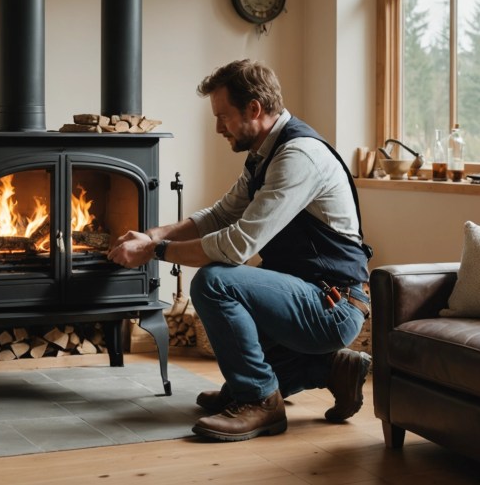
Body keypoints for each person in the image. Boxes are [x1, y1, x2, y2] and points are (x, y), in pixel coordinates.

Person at [107, 59, 373, 442]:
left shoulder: (297, 157)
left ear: (255, 109)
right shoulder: (265, 153)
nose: (218, 127)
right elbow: (220, 214)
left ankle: (260, 404)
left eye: (223, 116)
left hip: (333, 305)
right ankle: (329, 369)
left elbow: (236, 245)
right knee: (228, 293)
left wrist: (155, 251)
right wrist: (152, 233)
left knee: (216, 281)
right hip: (302, 294)